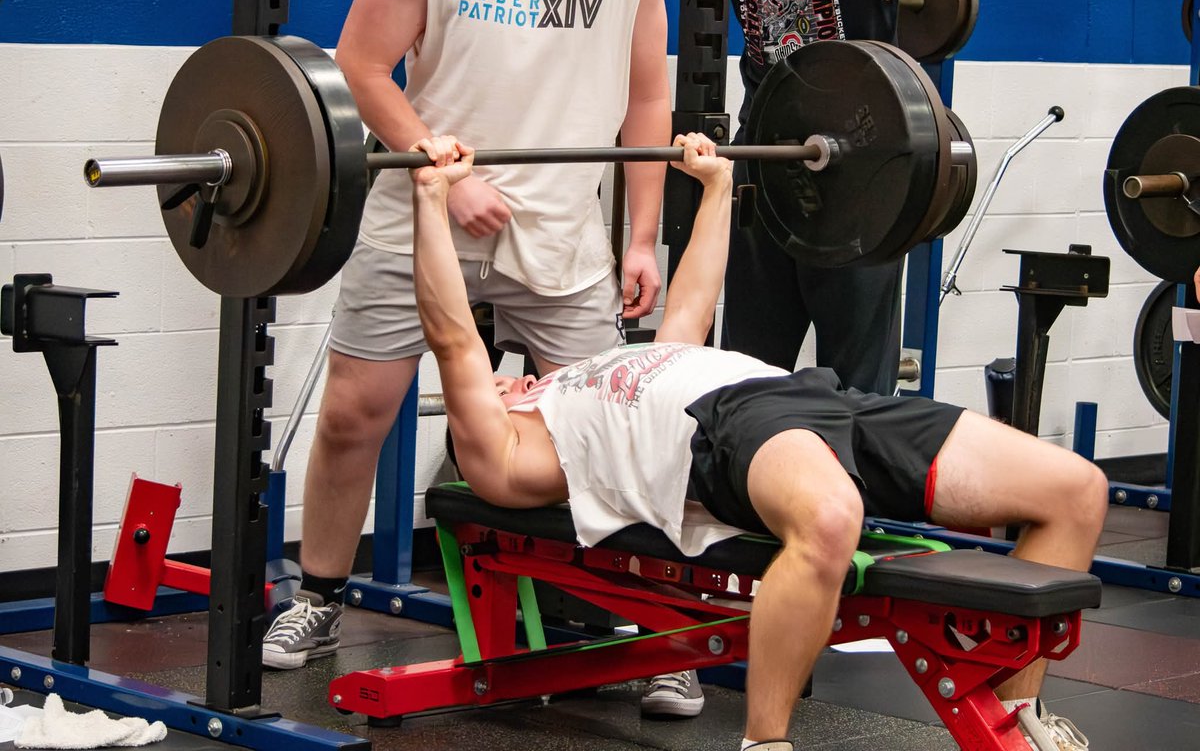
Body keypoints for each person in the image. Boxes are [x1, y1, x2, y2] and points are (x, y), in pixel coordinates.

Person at [410, 130, 1108, 751]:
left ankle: (1019, 720)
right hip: (729, 428)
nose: (505, 378)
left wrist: (717, 189)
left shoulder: (603, 369)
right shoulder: (513, 452)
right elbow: (451, 336)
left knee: (1076, 492)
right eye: (494, 386)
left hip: (816, 397)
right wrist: (431, 198)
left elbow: (689, 307)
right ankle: (765, 743)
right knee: (832, 520)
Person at [261, 0, 676, 691]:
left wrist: (643, 235)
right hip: (428, 211)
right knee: (353, 415)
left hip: (563, 230)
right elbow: (361, 64)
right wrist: (440, 166)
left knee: (621, 434)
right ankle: (323, 599)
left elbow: (647, 104)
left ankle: (652, 639)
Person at [722, 0, 1005, 394]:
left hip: (763, 168)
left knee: (748, 372)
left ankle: (743, 482)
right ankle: (856, 485)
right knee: (859, 386)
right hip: (856, 183)